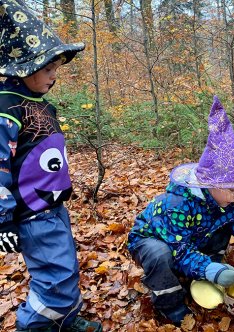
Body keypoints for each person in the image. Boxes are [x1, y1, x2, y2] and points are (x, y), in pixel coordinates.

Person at [127, 95, 234, 325]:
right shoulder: (177, 204)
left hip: (191, 239)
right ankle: (171, 306)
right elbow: (179, 249)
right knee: (160, 255)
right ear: (212, 185)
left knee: (224, 225)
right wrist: (211, 268)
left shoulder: (225, 204)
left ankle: (203, 277)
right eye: (232, 190)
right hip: (153, 241)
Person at [0, 1, 102, 331]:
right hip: (32, 214)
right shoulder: (6, 107)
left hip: (53, 207)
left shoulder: (42, 105)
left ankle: (65, 321)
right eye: (48, 68)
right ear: (23, 66)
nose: (54, 75)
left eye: (56, 67)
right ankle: (33, 326)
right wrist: (3, 219)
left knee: (65, 269)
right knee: (55, 281)